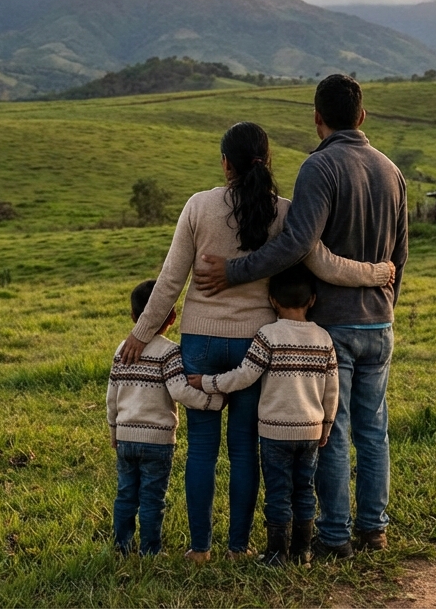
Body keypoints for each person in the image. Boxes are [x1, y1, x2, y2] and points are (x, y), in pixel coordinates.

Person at [119, 121, 393, 562]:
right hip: (256, 346)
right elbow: (323, 265)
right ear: (266, 160)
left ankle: (199, 548)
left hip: (200, 342)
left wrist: (140, 334)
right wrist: (378, 274)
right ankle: (238, 547)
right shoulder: (284, 212)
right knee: (245, 450)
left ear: (225, 163)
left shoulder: (198, 206)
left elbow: (171, 281)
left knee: (203, 450)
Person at [193, 74, 408, 559]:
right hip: (381, 323)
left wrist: (235, 271)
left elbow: (296, 244)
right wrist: (387, 309)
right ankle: (374, 529)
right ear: (362, 115)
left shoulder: (320, 168)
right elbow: (401, 257)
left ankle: (335, 536)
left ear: (316, 118)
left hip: (334, 322)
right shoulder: (392, 172)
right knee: (375, 431)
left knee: (331, 432)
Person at [187, 264, 338, 566]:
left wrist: (207, 382)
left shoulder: (268, 336)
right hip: (310, 432)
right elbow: (332, 389)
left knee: (278, 492)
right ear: (312, 300)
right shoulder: (323, 339)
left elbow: (244, 376)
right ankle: (303, 552)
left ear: (271, 301)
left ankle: (276, 553)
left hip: (274, 433)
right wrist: (326, 424)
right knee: (305, 491)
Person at [107, 279, 225, 555]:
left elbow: (112, 397)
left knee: (125, 494)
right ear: (172, 317)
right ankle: (150, 550)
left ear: (133, 316)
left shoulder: (122, 350)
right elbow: (180, 391)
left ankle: (120, 547)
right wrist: (213, 400)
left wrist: (114, 431)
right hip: (158, 442)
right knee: (152, 498)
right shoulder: (170, 351)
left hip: (125, 437)